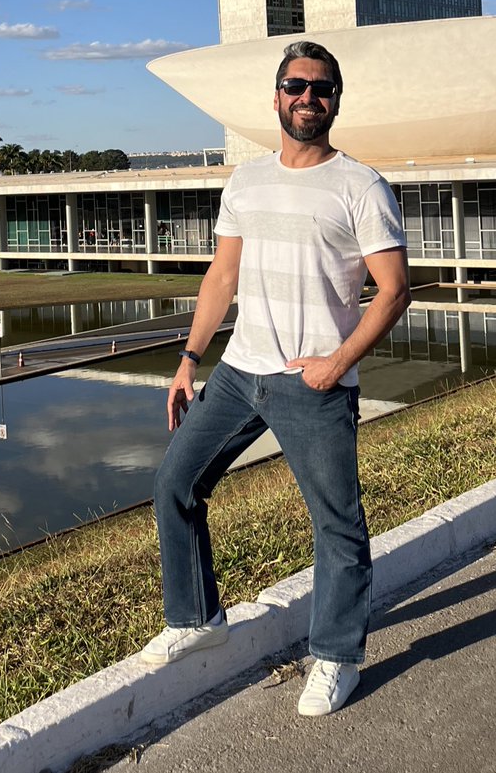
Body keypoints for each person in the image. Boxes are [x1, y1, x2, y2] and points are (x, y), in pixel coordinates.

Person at [139, 40, 411, 717]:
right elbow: (222, 277)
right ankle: (196, 617)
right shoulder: (247, 180)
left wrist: (337, 363)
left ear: (335, 101)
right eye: (297, 86)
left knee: (337, 526)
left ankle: (336, 655)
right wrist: (188, 359)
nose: (308, 98)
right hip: (239, 371)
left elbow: (394, 289)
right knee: (175, 483)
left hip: (312, 383)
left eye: (322, 88)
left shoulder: (360, 185)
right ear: (277, 97)